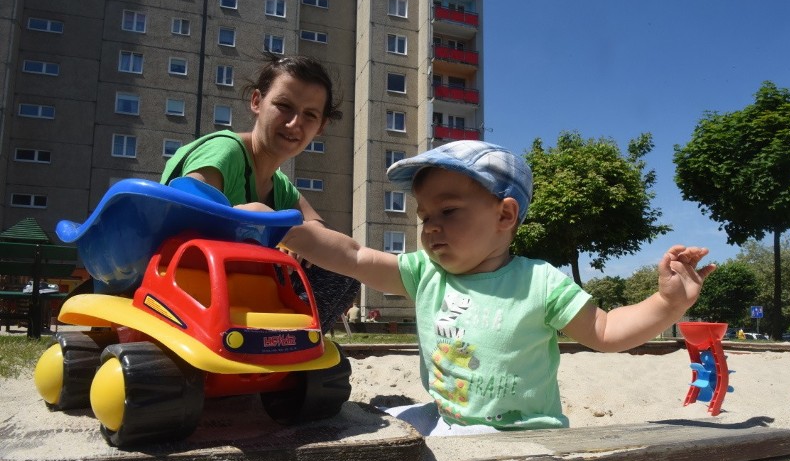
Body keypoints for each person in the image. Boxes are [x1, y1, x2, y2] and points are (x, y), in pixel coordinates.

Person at [281, 140, 716, 435]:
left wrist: (665, 302)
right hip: (447, 414)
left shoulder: (538, 281)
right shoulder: (425, 272)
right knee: (378, 420)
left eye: (448, 211)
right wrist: (289, 229)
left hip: (517, 433)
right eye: (424, 215)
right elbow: (355, 257)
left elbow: (606, 331)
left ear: (505, 216)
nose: (431, 226)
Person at [160, 53, 359, 333]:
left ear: (321, 126)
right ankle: (285, 344)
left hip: (234, 287)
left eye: (310, 115)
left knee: (341, 270)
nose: (294, 124)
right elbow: (186, 216)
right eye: (283, 106)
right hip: (183, 283)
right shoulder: (225, 151)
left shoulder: (279, 184)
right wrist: (255, 217)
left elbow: (318, 228)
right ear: (257, 101)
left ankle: (290, 344)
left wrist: (298, 238)